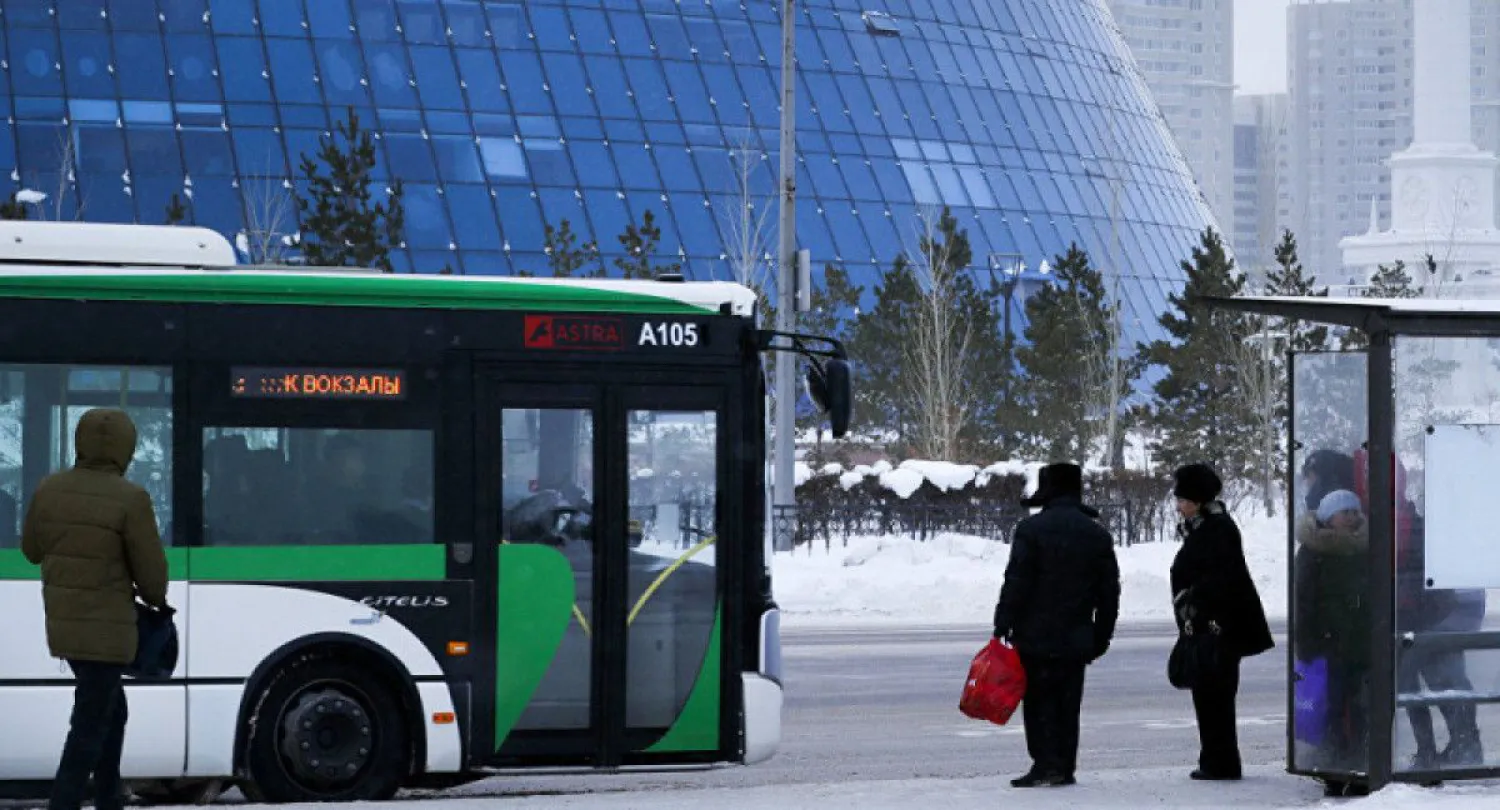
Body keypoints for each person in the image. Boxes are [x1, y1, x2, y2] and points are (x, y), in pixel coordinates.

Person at [20, 408, 169, 810]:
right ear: (126, 448)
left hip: (66, 627)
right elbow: (153, 580)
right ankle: (65, 802)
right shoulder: (130, 499)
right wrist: (154, 599)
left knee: (111, 710)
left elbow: (32, 550)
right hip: (109, 630)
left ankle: (109, 796)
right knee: (88, 723)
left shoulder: (48, 490)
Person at [992, 462, 1121, 788]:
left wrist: (1003, 622)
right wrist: (1101, 636)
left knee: (1037, 702)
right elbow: (1109, 592)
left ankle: (1044, 763)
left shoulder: (1031, 530)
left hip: (1034, 633)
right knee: (1068, 703)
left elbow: (1017, 581)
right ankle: (1064, 766)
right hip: (1075, 635)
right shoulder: (1096, 534)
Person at [1168, 463, 1274, 782]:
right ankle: (1215, 758)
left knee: (1215, 695)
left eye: (1183, 500)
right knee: (1210, 694)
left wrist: (1192, 601)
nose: (1179, 506)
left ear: (1198, 501)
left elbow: (1220, 580)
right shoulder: (1207, 527)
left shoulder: (1217, 529)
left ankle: (1221, 762)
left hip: (1219, 627)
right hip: (1214, 625)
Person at [1292, 489, 1370, 777]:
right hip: (1327, 642)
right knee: (1331, 702)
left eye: (1354, 512)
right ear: (1327, 516)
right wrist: (1307, 642)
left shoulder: (1365, 548)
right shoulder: (1313, 552)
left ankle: (1358, 753)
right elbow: (1303, 601)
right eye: (1344, 512)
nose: (1351, 518)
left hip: (1359, 642)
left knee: (1361, 703)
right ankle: (1332, 753)